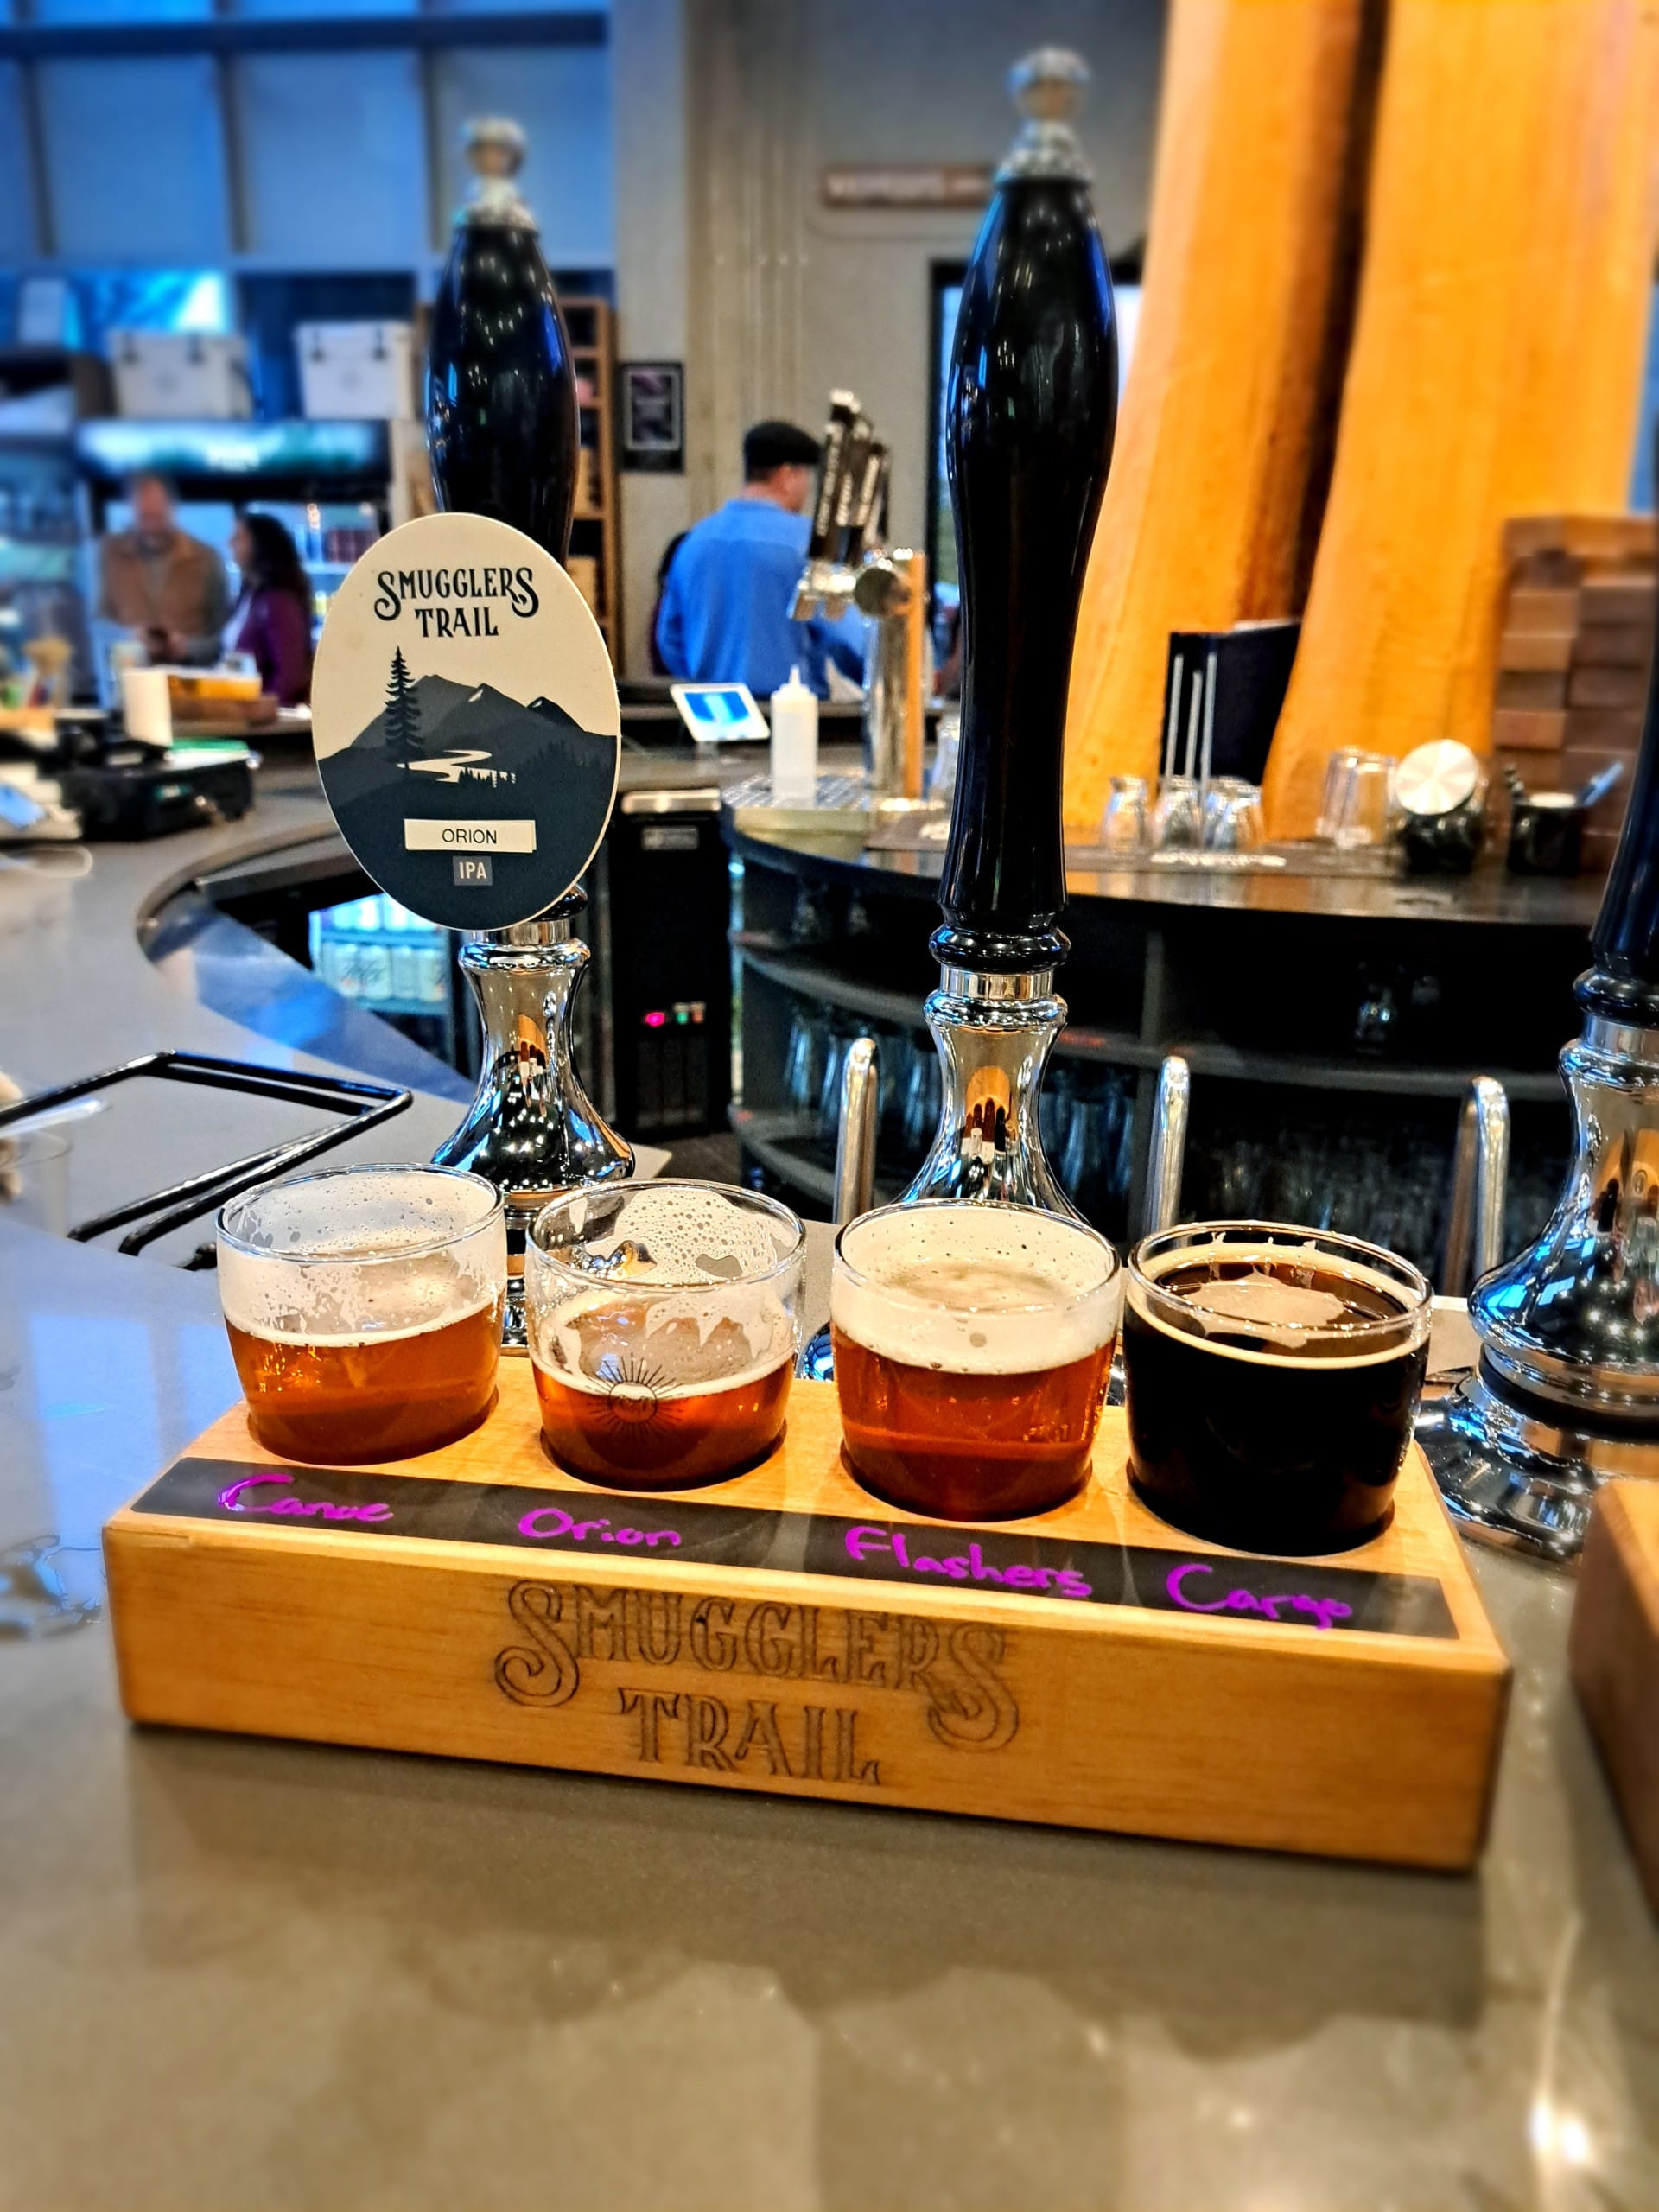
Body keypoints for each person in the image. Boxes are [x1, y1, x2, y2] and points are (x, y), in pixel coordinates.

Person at [654, 421, 866, 698]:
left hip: (715, 715)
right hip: (790, 720)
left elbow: (669, 639)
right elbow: (848, 639)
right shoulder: (807, 545)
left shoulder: (695, 542)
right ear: (788, 474)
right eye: (805, 478)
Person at [97, 473, 228, 668]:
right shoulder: (111, 555)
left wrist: (188, 647)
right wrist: (129, 637)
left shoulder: (206, 560)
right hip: (132, 679)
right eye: (144, 517)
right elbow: (99, 623)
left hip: (189, 681)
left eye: (156, 516)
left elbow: (225, 637)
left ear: (172, 509)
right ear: (132, 511)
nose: (150, 526)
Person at [226, 512, 314, 706]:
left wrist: (265, 707)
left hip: (270, 720)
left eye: (239, 537)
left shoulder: (278, 601)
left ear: (260, 545)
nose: (230, 543)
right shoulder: (248, 596)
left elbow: (291, 673)